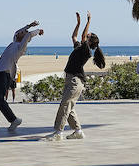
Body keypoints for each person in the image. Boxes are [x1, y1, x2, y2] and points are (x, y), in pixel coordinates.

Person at [42, 11, 104, 140]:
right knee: (69, 107)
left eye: (89, 35)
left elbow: (82, 36)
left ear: (89, 40)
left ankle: (58, 133)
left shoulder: (86, 51)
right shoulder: (80, 47)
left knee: (65, 105)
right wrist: (78, 23)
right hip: (72, 80)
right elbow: (74, 36)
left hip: (75, 81)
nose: (87, 34)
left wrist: (88, 21)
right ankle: (78, 131)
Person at [0, 20, 41, 132]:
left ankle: (14, 120)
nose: (20, 33)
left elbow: (28, 35)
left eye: (22, 33)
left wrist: (37, 31)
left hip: (4, 75)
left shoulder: (20, 47)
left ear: (24, 37)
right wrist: (28, 25)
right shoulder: (14, 41)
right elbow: (17, 32)